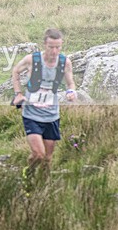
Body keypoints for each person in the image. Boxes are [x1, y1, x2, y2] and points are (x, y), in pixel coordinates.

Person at [11, 28, 77, 181]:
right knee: (38, 154)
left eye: (58, 47)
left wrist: (72, 92)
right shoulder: (32, 60)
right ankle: (28, 174)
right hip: (31, 114)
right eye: (51, 47)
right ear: (44, 45)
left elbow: (70, 83)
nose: (54, 51)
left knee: (47, 158)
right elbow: (15, 71)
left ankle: (43, 185)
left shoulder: (65, 62)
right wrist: (18, 93)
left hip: (52, 116)